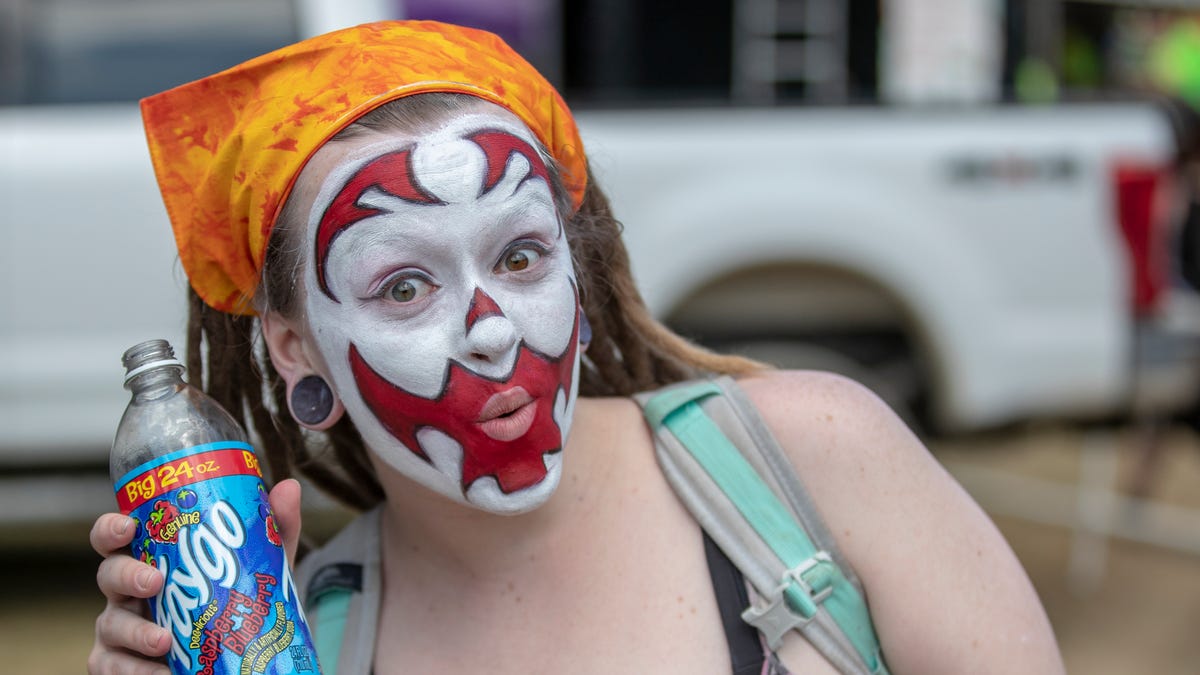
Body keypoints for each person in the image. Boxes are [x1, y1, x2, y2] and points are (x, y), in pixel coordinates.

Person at [88, 20, 1064, 675]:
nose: (491, 328)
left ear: (577, 273)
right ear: (296, 349)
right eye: (406, 285)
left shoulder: (813, 460)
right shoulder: (313, 641)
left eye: (519, 257)